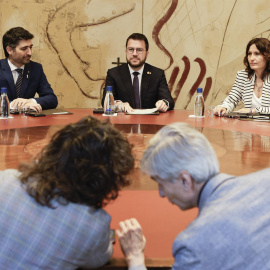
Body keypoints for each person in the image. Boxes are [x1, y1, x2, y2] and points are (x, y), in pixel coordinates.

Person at [116, 122, 270, 270]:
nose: (161, 193)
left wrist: (135, 258)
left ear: (185, 180)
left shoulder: (194, 245)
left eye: (160, 183)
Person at [0, 116, 134, 269]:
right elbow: (101, 258)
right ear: (107, 180)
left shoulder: (6, 179)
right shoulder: (93, 227)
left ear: (53, 152)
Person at [101, 33, 174, 113]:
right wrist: (118, 104)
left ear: (147, 53)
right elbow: (105, 102)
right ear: (126, 51)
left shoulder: (157, 74)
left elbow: (168, 100)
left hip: (149, 122)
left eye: (139, 50)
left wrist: (164, 103)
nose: (134, 54)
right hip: (123, 122)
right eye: (131, 49)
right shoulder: (114, 74)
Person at [0, 27, 58, 112]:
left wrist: (30, 101)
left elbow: (52, 99)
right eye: (24, 49)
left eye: (30, 47)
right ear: (9, 50)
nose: (30, 53)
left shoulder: (36, 68)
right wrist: (15, 105)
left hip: (27, 122)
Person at [214, 37, 270, 116]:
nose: (251, 58)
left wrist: (253, 110)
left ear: (267, 56)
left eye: (257, 54)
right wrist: (223, 107)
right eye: (249, 54)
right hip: (248, 125)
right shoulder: (243, 76)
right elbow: (232, 99)